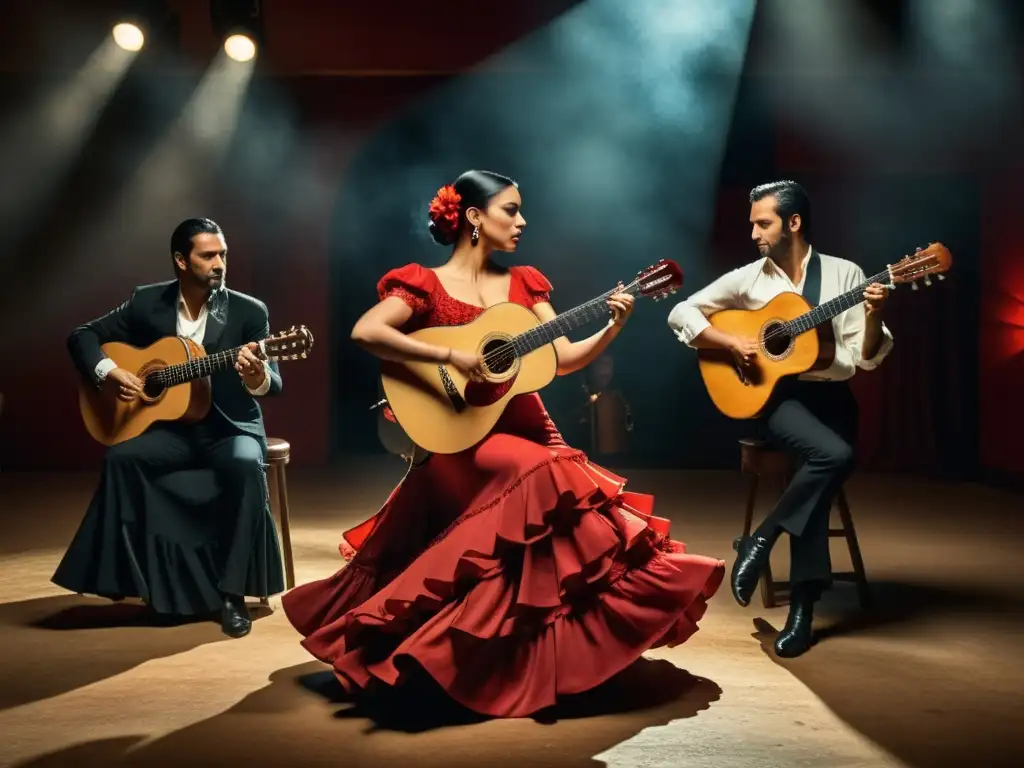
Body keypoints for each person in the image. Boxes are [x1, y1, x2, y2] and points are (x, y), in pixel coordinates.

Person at [282, 170, 724, 718]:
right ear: (473, 216)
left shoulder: (525, 285)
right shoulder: (423, 281)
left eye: (520, 212)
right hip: (460, 435)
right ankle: (474, 659)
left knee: (564, 481)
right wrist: (453, 356)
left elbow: (562, 360)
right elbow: (367, 333)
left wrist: (613, 326)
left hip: (526, 424)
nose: (522, 221)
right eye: (510, 210)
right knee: (544, 475)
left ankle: (536, 660)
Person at [667, 180, 893, 657]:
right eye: (752, 223)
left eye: (762, 222)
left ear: (793, 223)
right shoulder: (750, 279)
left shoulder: (843, 274)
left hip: (833, 399)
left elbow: (865, 357)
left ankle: (763, 543)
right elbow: (681, 311)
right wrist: (731, 343)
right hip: (779, 402)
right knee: (833, 456)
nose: (753, 233)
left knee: (820, 473)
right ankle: (800, 612)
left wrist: (872, 316)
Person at [54, 217, 287, 638]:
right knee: (122, 459)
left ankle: (232, 593)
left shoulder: (249, 311)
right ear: (181, 260)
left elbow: (273, 382)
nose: (219, 263)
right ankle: (152, 587)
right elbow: (83, 336)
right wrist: (108, 371)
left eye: (223, 255)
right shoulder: (147, 303)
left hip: (230, 429)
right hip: (175, 431)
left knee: (244, 465)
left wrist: (255, 375)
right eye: (208, 255)